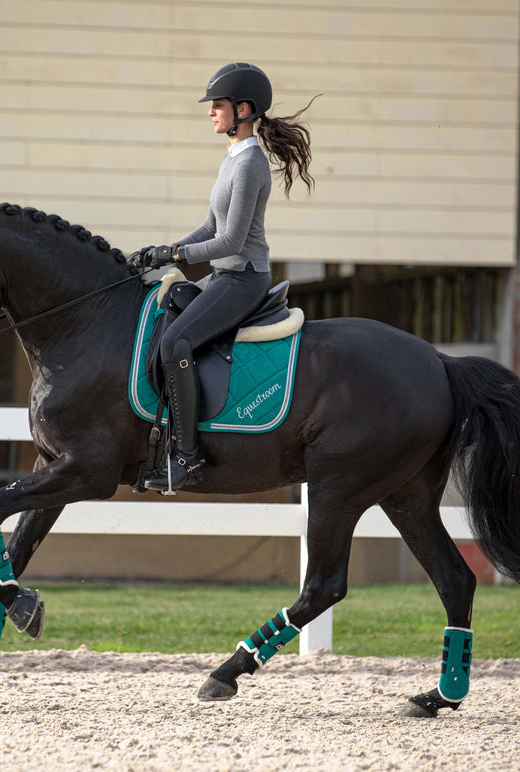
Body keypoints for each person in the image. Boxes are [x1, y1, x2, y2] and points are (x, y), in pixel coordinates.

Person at [138, 62, 317, 491]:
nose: (210, 112)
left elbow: (231, 241)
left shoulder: (251, 163)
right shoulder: (232, 158)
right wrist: (162, 252)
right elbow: (208, 229)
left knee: (175, 343)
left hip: (243, 277)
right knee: (166, 312)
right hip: (224, 276)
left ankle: (186, 457)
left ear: (243, 109)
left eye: (217, 105)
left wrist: (177, 253)